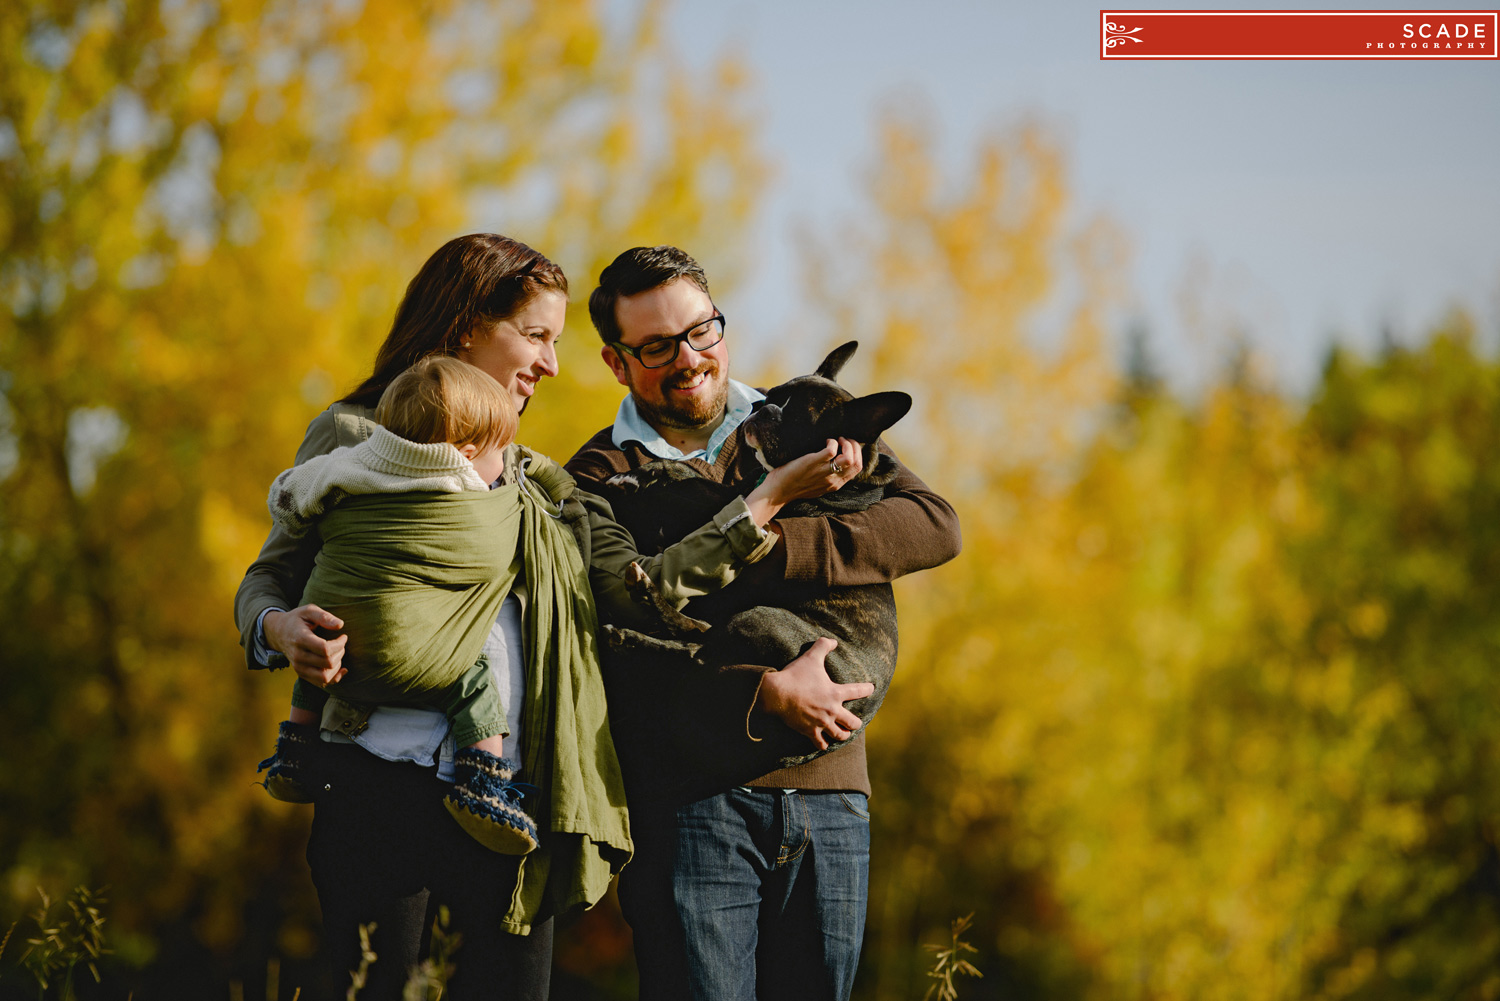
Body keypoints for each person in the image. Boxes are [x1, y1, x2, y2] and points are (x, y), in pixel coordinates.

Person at [234, 234, 864, 1001]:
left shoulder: (542, 483)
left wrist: (766, 502)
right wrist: (279, 628)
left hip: (512, 798)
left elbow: (640, 589)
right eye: (535, 336)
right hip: (376, 783)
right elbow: (270, 573)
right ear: (469, 324)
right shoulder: (356, 436)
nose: (551, 363)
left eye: (556, 341)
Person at [566, 245, 962, 1001]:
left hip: (831, 787)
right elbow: (624, 629)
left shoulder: (801, 419)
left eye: (700, 331)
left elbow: (933, 524)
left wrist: (778, 544)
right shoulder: (600, 476)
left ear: (720, 323)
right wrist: (761, 695)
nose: (688, 359)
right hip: (692, 800)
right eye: (656, 347)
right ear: (618, 363)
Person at [260, 355, 546, 853]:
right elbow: (497, 553)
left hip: (340, 641)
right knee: (471, 674)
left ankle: (294, 751)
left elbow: (290, 494)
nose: (503, 466)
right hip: (408, 657)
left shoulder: (349, 462)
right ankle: (483, 784)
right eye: (499, 452)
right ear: (467, 451)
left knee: (320, 639)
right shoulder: (468, 495)